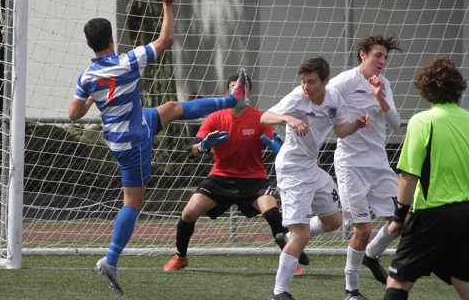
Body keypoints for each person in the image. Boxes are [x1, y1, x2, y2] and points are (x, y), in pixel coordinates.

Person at [68, 0, 249, 296]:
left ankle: (230, 100)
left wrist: (91, 100)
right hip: (134, 141)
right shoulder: (127, 61)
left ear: (89, 44)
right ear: (111, 39)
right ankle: (111, 260)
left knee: (172, 108)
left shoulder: (87, 77)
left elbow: (73, 113)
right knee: (133, 202)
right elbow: (165, 41)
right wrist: (167, 4)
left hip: (127, 130)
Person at [162, 74, 309, 275]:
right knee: (188, 213)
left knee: (273, 213)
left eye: (244, 89)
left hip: (254, 179)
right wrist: (203, 146)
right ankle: (180, 257)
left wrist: (280, 149)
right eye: (233, 89)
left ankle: (290, 261)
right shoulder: (215, 117)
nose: (238, 92)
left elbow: (281, 150)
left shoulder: (260, 118)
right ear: (227, 93)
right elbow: (190, 152)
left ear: (251, 93)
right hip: (220, 178)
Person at [260, 56, 369, 300]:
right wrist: (288, 118)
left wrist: (357, 125)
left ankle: (287, 238)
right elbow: (264, 117)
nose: (305, 87)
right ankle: (279, 293)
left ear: (325, 82)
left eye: (311, 82)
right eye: (303, 82)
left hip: (312, 167)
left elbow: (340, 129)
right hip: (291, 170)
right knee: (302, 235)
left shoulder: (333, 98)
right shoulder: (297, 97)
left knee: (334, 221)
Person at [383, 56, 469, 300]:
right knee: (463, 280)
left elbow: (408, 177)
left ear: (425, 88)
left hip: (432, 214)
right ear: (459, 88)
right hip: (465, 214)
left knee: (398, 281)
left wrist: (399, 218)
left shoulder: (422, 121)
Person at [328, 35, 403, 300]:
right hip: (351, 165)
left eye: (385, 57)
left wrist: (380, 96)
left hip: (379, 163)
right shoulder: (344, 82)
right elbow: (320, 103)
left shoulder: (385, 84)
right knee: (362, 229)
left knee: (402, 219)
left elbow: (395, 122)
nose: (382, 61)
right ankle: (351, 290)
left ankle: (371, 255)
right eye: (378, 55)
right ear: (363, 54)